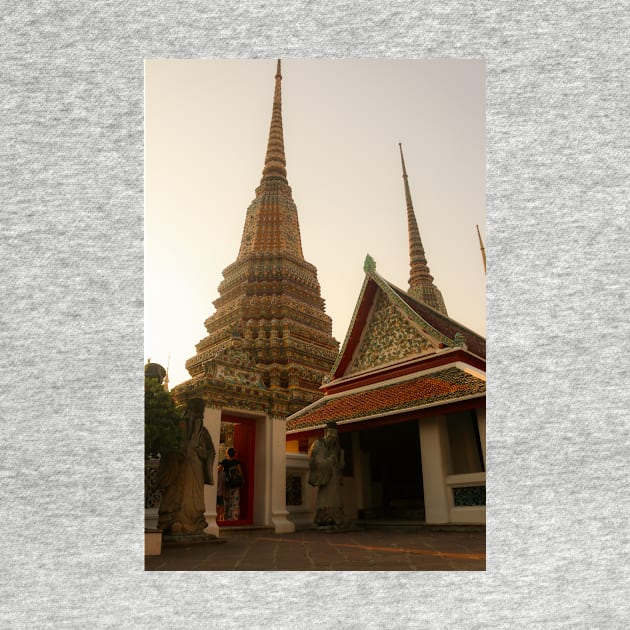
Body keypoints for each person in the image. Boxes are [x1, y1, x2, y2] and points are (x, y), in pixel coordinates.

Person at [157, 398, 216, 535]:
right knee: (177, 493)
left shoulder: (204, 432)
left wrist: (203, 454)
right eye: (195, 413)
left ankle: (195, 522)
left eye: (200, 415)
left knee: (195, 498)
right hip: (180, 466)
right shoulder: (178, 427)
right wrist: (176, 454)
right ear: (188, 411)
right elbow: (168, 446)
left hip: (197, 467)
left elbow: (211, 450)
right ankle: (174, 522)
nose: (198, 417)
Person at [308, 421, 345, 527]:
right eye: (331, 433)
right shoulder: (318, 444)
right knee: (324, 499)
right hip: (325, 478)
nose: (333, 436)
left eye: (335, 434)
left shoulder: (336, 447)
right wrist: (329, 460)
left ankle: (336, 518)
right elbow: (315, 461)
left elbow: (338, 465)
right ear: (325, 432)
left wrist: (340, 462)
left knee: (336, 498)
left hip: (334, 478)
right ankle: (324, 518)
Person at [218, 447, 243, 521]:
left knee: (226, 501)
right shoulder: (237, 462)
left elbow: (219, 469)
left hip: (227, 485)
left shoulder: (225, 461)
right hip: (236, 485)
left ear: (227, 454)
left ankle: (226, 518)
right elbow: (240, 473)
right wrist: (242, 481)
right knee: (235, 502)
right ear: (234, 454)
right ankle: (234, 518)